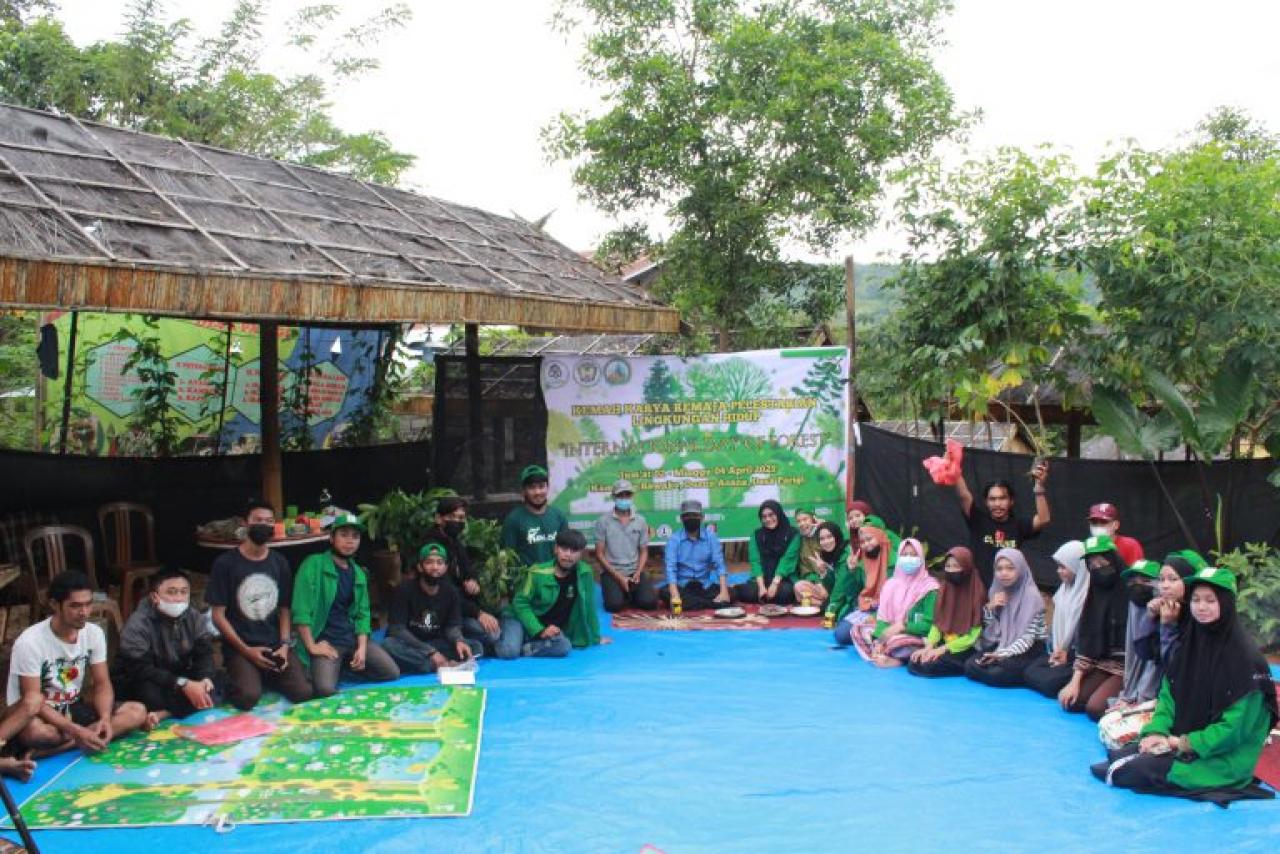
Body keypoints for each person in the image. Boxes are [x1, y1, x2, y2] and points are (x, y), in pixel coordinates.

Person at [1094, 567, 1279, 804]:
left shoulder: (1246, 661)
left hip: (1222, 759)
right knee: (1119, 755)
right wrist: (1157, 731)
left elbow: (1233, 731)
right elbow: (1168, 695)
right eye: (1196, 600)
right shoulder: (1191, 643)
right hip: (1180, 740)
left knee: (1124, 771)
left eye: (1210, 601)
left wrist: (1179, 743)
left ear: (1226, 603)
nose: (1201, 607)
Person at [7, 571, 148, 754]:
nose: (84, 612)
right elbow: (32, 701)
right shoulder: (30, 642)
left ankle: (57, 749)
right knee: (38, 733)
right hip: (36, 713)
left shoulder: (94, 633)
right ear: (54, 605)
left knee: (137, 711)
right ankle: (81, 739)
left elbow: (102, 684)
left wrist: (105, 719)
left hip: (71, 707)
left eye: (88, 604)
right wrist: (76, 730)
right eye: (75, 606)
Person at [207, 499, 313, 711]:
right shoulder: (225, 564)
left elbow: (284, 608)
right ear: (246, 523)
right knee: (248, 697)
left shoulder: (279, 562)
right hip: (241, 646)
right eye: (258, 520)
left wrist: (284, 645)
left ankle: (264, 675)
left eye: (269, 521)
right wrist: (246, 651)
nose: (263, 525)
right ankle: (235, 675)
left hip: (274, 645)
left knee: (304, 692)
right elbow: (217, 615)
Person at [292, 514, 399, 698]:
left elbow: (363, 614)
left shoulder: (358, 573)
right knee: (324, 689)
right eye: (344, 535)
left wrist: (362, 647)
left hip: (350, 638)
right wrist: (312, 646)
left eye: (355, 536)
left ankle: (345, 664)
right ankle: (334, 665)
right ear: (332, 538)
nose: (350, 541)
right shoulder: (313, 564)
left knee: (390, 672)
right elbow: (301, 609)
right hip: (324, 641)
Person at [112, 567, 218, 723]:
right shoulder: (139, 623)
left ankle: (164, 713)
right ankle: (171, 708)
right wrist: (183, 684)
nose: (179, 598)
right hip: (146, 678)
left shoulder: (193, 616)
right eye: (172, 592)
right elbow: (140, 669)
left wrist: (205, 678)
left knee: (213, 686)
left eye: (184, 592)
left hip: (176, 675)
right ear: (155, 597)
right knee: (150, 695)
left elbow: (204, 653)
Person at [497, 529, 603, 658]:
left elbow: (589, 607)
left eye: (574, 551)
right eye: (564, 549)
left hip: (549, 629)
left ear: (581, 554)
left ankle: (524, 647)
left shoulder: (585, 573)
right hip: (519, 620)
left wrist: (595, 637)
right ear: (556, 550)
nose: (568, 555)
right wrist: (539, 630)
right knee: (509, 652)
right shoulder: (537, 573)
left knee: (564, 646)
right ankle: (508, 642)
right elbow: (520, 603)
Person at [945, 463, 1050, 588]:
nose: (997, 503)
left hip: (1008, 590)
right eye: (992, 499)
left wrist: (1039, 487)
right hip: (979, 591)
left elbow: (1043, 519)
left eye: (1002, 498)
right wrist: (953, 464)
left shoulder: (1018, 525)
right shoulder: (977, 520)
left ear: (1011, 501)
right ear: (986, 502)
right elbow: (963, 495)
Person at [1058, 535, 1129, 720]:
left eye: (1101, 560)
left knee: (1095, 709)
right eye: (1091, 562)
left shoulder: (1131, 592)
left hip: (1128, 669)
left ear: (1113, 559)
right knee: (1069, 701)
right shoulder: (1094, 593)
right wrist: (1075, 681)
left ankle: (1132, 702)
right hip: (1102, 665)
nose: (1097, 567)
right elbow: (1087, 640)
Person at [382, 543, 481, 673]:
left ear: (445, 567)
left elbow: (452, 627)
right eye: (429, 562)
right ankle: (435, 665)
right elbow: (397, 629)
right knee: (388, 645)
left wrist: (459, 640)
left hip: (436, 642)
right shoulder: (404, 589)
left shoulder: (451, 592)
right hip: (412, 644)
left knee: (476, 647)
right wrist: (430, 652)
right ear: (420, 567)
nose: (435, 567)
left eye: (440, 563)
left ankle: (431, 664)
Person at [422, 496, 503, 650]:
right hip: (443, 612)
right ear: (439, 518)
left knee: (498, 619)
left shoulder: (454, 541)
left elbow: (468, 570)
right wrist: (478, 613)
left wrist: (473, 582)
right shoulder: (433, 547)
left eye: (460, 518)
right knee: (493, 635)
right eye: (451, 517)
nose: (457, 521)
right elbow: (446, 591)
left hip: (461, 606)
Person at [964, 548, 1047, 688]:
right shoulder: (997, 590)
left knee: (998, 674)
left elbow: (1026, 639)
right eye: (999, 568)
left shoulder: (1032, 597)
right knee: (970, 665)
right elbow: (993, 630)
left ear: (1020, 568)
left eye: (1010, 568)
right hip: (1004, 642)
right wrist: (990, 607)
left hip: (1030, 648)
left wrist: (1001, 654)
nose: (1004, 573)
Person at [856, 538, 938, 667]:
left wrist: (902, 627)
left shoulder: (930, 588)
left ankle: (897, 660)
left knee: (898, 643)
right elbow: (883, 618)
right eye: (904, 555)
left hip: (916, 636)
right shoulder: (891, 585)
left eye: (913, 555)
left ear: (921, 558)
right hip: (891, 632)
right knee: (858, 630)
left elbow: (930, 625)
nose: (908, 559)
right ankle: (880, 654)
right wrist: (880, 640)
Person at [1024, 540, 1091, 699]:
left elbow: (1087, 642)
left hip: (1076, 660)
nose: (1059, 571)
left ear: (1077, 567)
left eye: (1063, 567)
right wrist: (1055, 653)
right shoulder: (1063, 592)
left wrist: (1068, 655)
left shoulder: (1087, 598)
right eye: (1058, 566)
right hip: (1058, 654)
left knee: (1049, 683)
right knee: (1028, 672)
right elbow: (1054, 630)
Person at [908, 547, 986, 678]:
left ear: (966, 567)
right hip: (944, 645)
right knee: (915, 661)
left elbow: (973, 637)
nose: (951, 570)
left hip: (965, 648)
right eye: (948, 566)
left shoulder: (977, 594)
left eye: (956, 566)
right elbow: (937, 624)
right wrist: (929, 646)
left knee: (928, 666)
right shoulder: (944, 590)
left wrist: (942, 649)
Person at [595, 479, 657, 612]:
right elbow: (599, 554)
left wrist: (638, 572)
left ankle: (629, 592)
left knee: (650, 603)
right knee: (614, 606)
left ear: (632, 496)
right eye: (620, 495)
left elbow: (644, 551)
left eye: (627, 495)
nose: (624, 498)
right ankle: (623, 592)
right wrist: (619, 577)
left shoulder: (640, 521)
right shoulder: (603, 521)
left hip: (634, 571)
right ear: (613, 497)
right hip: (612, 572)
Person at [661, 500, 730, 611]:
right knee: (665, 592)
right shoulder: (674, 539)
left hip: (704, 586)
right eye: (687, 516)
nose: (691, 518)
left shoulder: (711, 537)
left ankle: (695, 603)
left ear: (701, 518)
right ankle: (709, 603)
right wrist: (674, 594)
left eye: (695, 515)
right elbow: (670, 569)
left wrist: (724, 591)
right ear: (682, 519)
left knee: (730, 593)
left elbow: (720, 565)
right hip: (682, 586)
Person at [1114, 558, 1164, 707]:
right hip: (1131, 681)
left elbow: (1154, 663)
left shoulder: (1165, 611)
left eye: (1146, 580)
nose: (1138, 586)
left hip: (1156, 690)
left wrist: (1137, 698)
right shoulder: (1133, 606)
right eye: (1133, 581)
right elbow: (1132, 655)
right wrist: (1128, 694)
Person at [831, 525, 893, 645]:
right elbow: (851, 592)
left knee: (878, 636)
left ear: (879, 537)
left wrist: (876, 615)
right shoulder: (861, 561)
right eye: (862, 542)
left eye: (870, 539)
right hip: (866, 607)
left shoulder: (894, 562)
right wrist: (851, 571)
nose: (866, 545)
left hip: (889, 611)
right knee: (841, 635)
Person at [501, 464, 569, 567]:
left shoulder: (559, 516)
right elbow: (507, 558)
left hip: (556, 578)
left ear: (548, 488)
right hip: (527, 579)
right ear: (523, 491)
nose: (537, 492)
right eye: (532, 487)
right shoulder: (513, 520)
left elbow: (567, 550)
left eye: (541, 486)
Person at [735, 500, 799, 605]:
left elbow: (787, 560)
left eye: (771, 515)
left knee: (786, 593)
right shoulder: (756, 535)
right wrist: (761, 586)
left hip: (783, 579)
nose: (768, 519)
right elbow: (755, 561)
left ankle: (766, 597)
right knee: (747, 593)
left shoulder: (793, 534)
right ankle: (764, 595)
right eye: (764, 517)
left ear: (778, 513)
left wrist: (774, 584)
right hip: (762, 579)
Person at [795, 521, 848, 610]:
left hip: (845, 595)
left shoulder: (845, 554)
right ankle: (823, 604)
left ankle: (824, 605)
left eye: (829, 537)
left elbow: (840, 588)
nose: (826, 542)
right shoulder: (825, 554)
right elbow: (830, 585)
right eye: (822, 539)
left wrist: (830, 607)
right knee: (799, 586)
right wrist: (823, 572)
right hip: (830, 592)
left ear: (837, 536)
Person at [1086, 503, 1144, 567]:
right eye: (1094, 522)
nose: (1098, 526)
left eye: (1103, 522)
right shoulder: (1085, 546)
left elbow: (1138, 575)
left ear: (1116, 525)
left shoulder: (1129, 545)